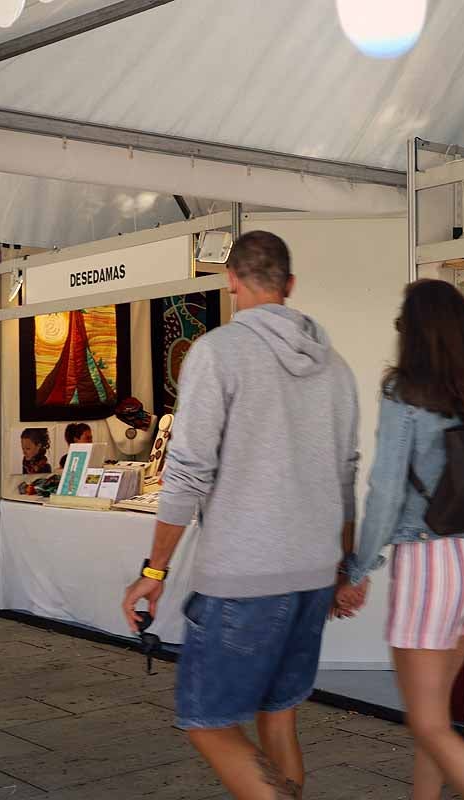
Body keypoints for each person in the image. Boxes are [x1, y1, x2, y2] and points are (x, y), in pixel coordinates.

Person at [121, 231, 359, 800]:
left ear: (231, 284)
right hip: (311, 575)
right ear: (290, 285)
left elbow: (186, 472)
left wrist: (154, 572)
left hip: (243, 576)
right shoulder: (337, 368)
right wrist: (345, 565)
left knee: (206, 720)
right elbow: (347, 473)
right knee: (278, 715)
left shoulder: (217, 353)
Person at [335, 279, 464, 800]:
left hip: (430, 563)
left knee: (428, 723)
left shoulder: (404, 392)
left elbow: (385, 488)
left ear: (414, 332)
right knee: (435, 715)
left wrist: (357, 570)